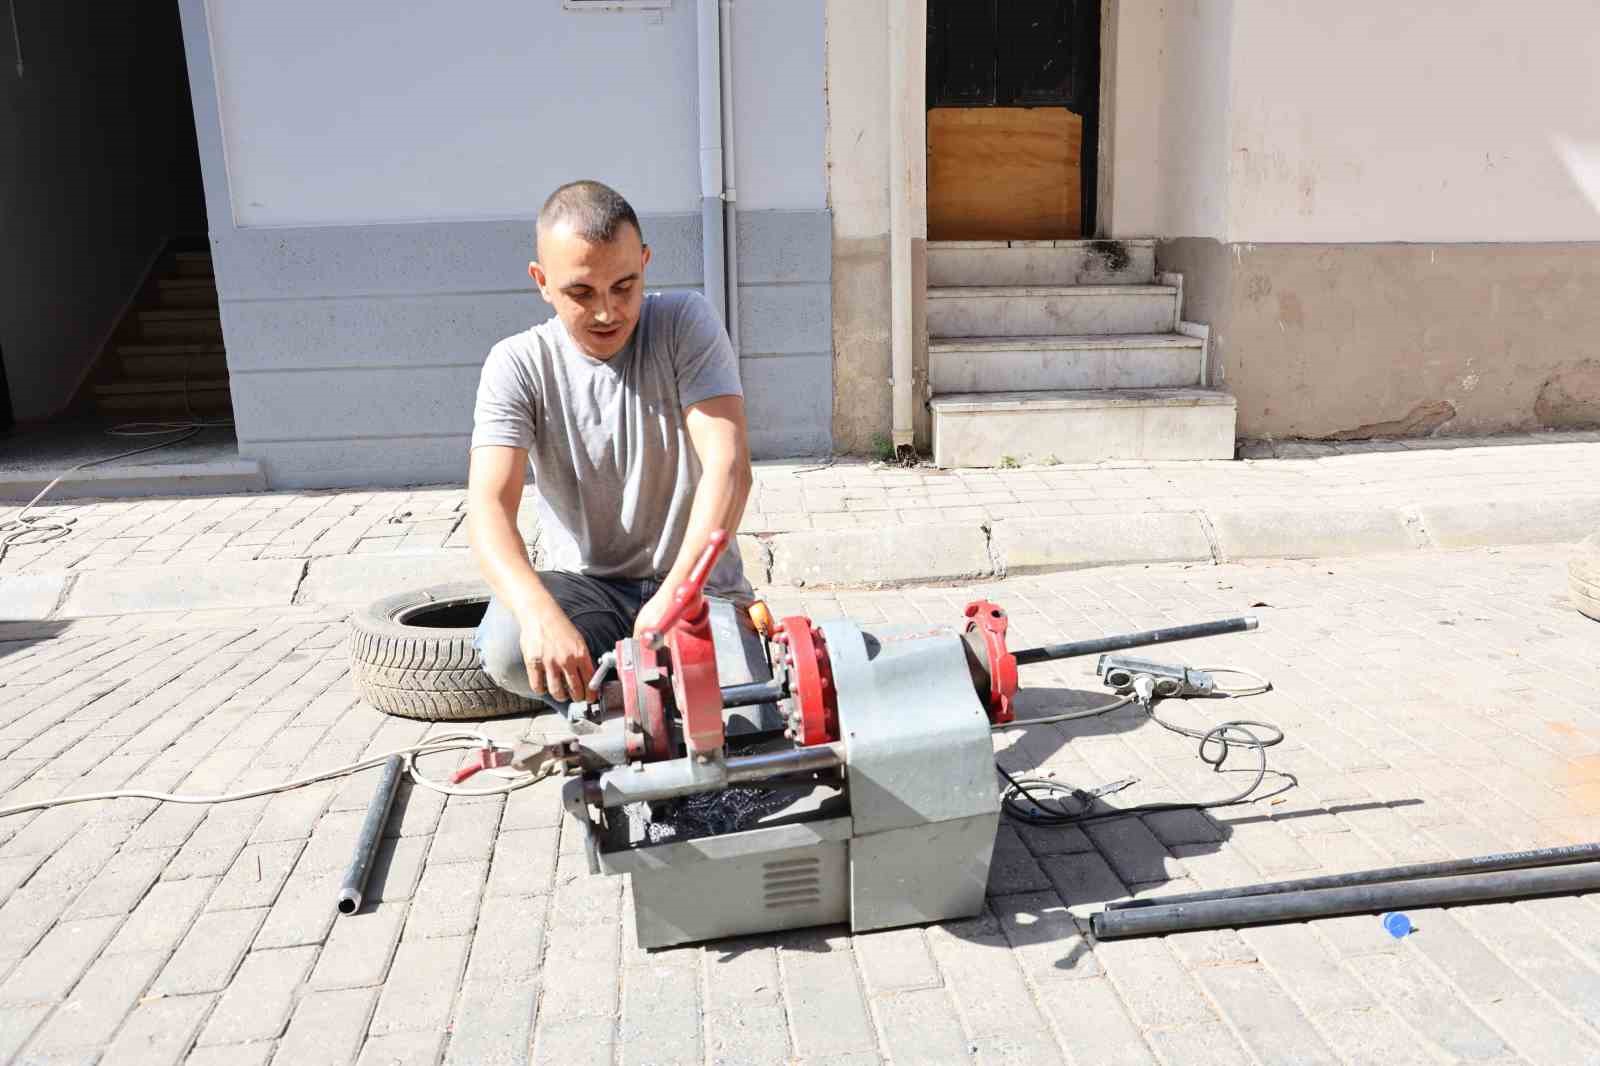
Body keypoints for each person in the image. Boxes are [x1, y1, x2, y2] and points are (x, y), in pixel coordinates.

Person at [467, 180, 754, 710]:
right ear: (542, 282)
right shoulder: (517, 363)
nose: (607, 312)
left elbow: (729, 466)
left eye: (625, 286)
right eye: (581, 293)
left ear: (645, 262)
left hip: (696, 589)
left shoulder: (686, 324)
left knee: (747, 713)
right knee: (507, 647)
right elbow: (488, 505)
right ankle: (615, 707)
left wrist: (678, 594)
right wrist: (538, 615)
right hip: (588, 592)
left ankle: (634, 698)